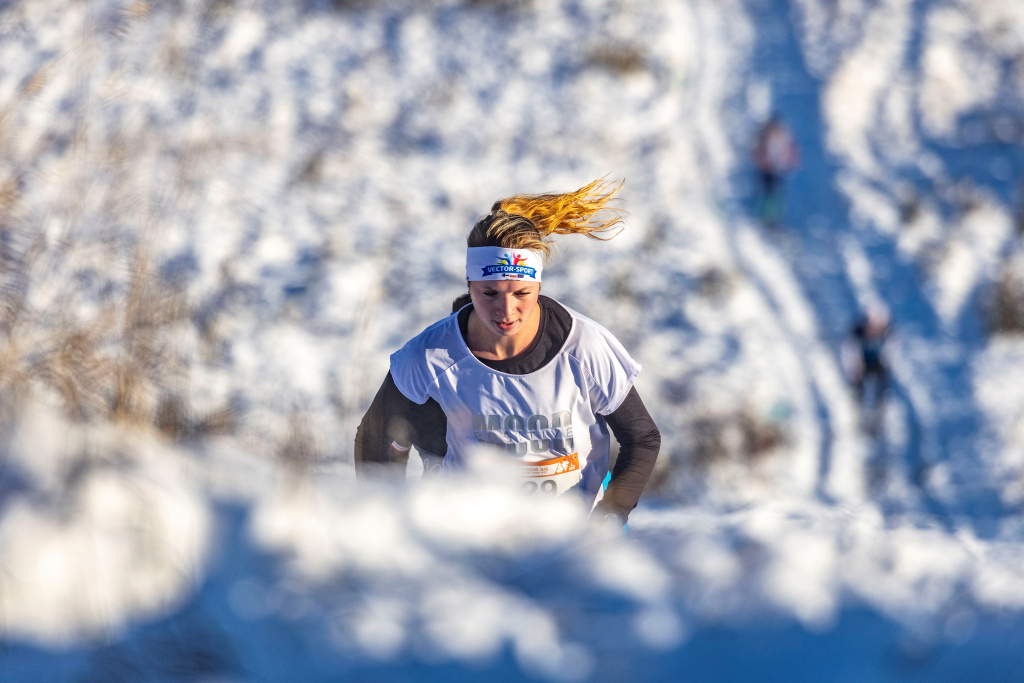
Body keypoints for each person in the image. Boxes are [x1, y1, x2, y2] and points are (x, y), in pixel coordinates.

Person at [354, 178, 661, 529]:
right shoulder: (430, 356)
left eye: (521, 293)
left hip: (572, 543)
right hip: (470, 540)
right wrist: (391, 524)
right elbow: (376, 436)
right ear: (469, 286)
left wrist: (610, 516)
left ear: (539, 286)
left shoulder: (584, 347)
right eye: (489, 293)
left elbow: (642, 438)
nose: (506, 310)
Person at [752, 115, 800, 229]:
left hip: (775, 170)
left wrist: (786, 165)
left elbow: (788, 154)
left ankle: (772, 218)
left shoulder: (779, 138)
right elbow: (758, 154)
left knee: (774, 194)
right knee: (768, 193)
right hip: (767, 170)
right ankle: (764, 217)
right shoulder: (764, 139)